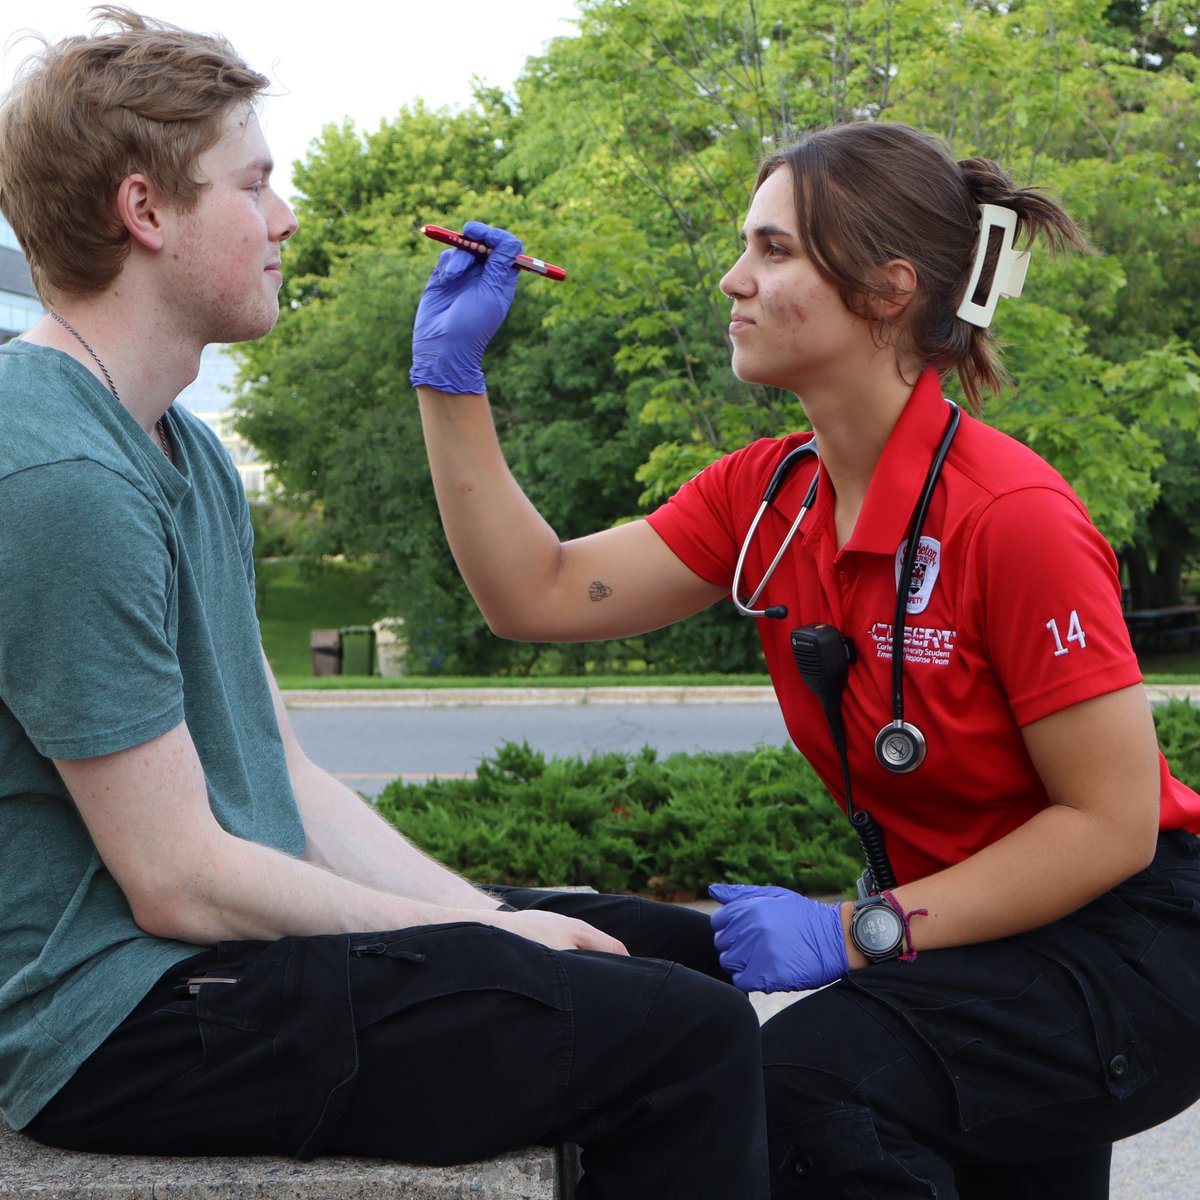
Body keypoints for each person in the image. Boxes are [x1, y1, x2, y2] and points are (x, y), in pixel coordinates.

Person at [0, 10, 771, 1197]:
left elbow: (283, 780)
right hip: (120, 1015)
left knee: (671, 953)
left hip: (208, 957)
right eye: (253, 184)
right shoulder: (64, 477)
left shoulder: (184, 454)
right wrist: (486, 939)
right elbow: (174, 876)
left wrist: (487, 918)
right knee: (686, 1037)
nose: (285, 218)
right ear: (145, 211)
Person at [410, 120, 1200, 1197]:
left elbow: (1109, 826)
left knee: (803, 1085)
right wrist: (449, 380)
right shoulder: (765, 496)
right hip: (965, 937)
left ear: (886, 290)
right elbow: (534, 592)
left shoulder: (1012, 517)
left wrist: (855, 929)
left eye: (773, 250)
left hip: (1125, 949)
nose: (732, 279)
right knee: (568, 938)